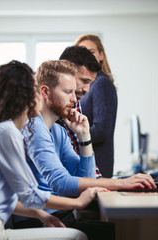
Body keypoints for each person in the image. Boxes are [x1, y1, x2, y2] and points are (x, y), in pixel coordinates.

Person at [0, 60, 106, 240]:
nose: (40, 96)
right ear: (24, 95)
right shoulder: (7, 133)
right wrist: (79, 203)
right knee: (77, 236)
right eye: (36, 90)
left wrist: (39, 214)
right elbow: (30, 194)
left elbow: (6, 198)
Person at [22, 60, 156, 239]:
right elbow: (61, 183)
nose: (74, 99)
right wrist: (121, 183)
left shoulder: (58, 131)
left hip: (59, 217)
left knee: (115, 231)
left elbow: (87, 180)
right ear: (45, 92)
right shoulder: (34, 127)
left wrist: (84, 137)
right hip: (38, 221)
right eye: (68, 92)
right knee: (117, 233)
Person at [75, 34, 118, 178]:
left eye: (91, 52)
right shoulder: (87, 85)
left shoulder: (101, 83)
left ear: (101, 55)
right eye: (82, 52)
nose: (87, 56)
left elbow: (101, 130)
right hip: (88, 163)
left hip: (97, 164)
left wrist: (71, 137)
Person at [58, 45, 102, 178]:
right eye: (84, 81)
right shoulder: (40, 124)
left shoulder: (74, 102)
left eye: (90, 83)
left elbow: (79, 152)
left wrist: (100, 182)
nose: (87, 90)